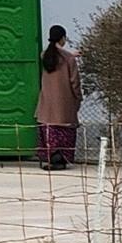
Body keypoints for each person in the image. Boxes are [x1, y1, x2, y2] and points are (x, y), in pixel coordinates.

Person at [35, 25, 82, 170]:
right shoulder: (69, 59)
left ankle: (50, 157)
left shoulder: (44, 56)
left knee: (49, 130)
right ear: (62, 38)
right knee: (64, 130)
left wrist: (71, 54)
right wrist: (78, 97)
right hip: (64, 104)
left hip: (46, 103)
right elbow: (74, 81)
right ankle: (61, 160)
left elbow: (57, 56)